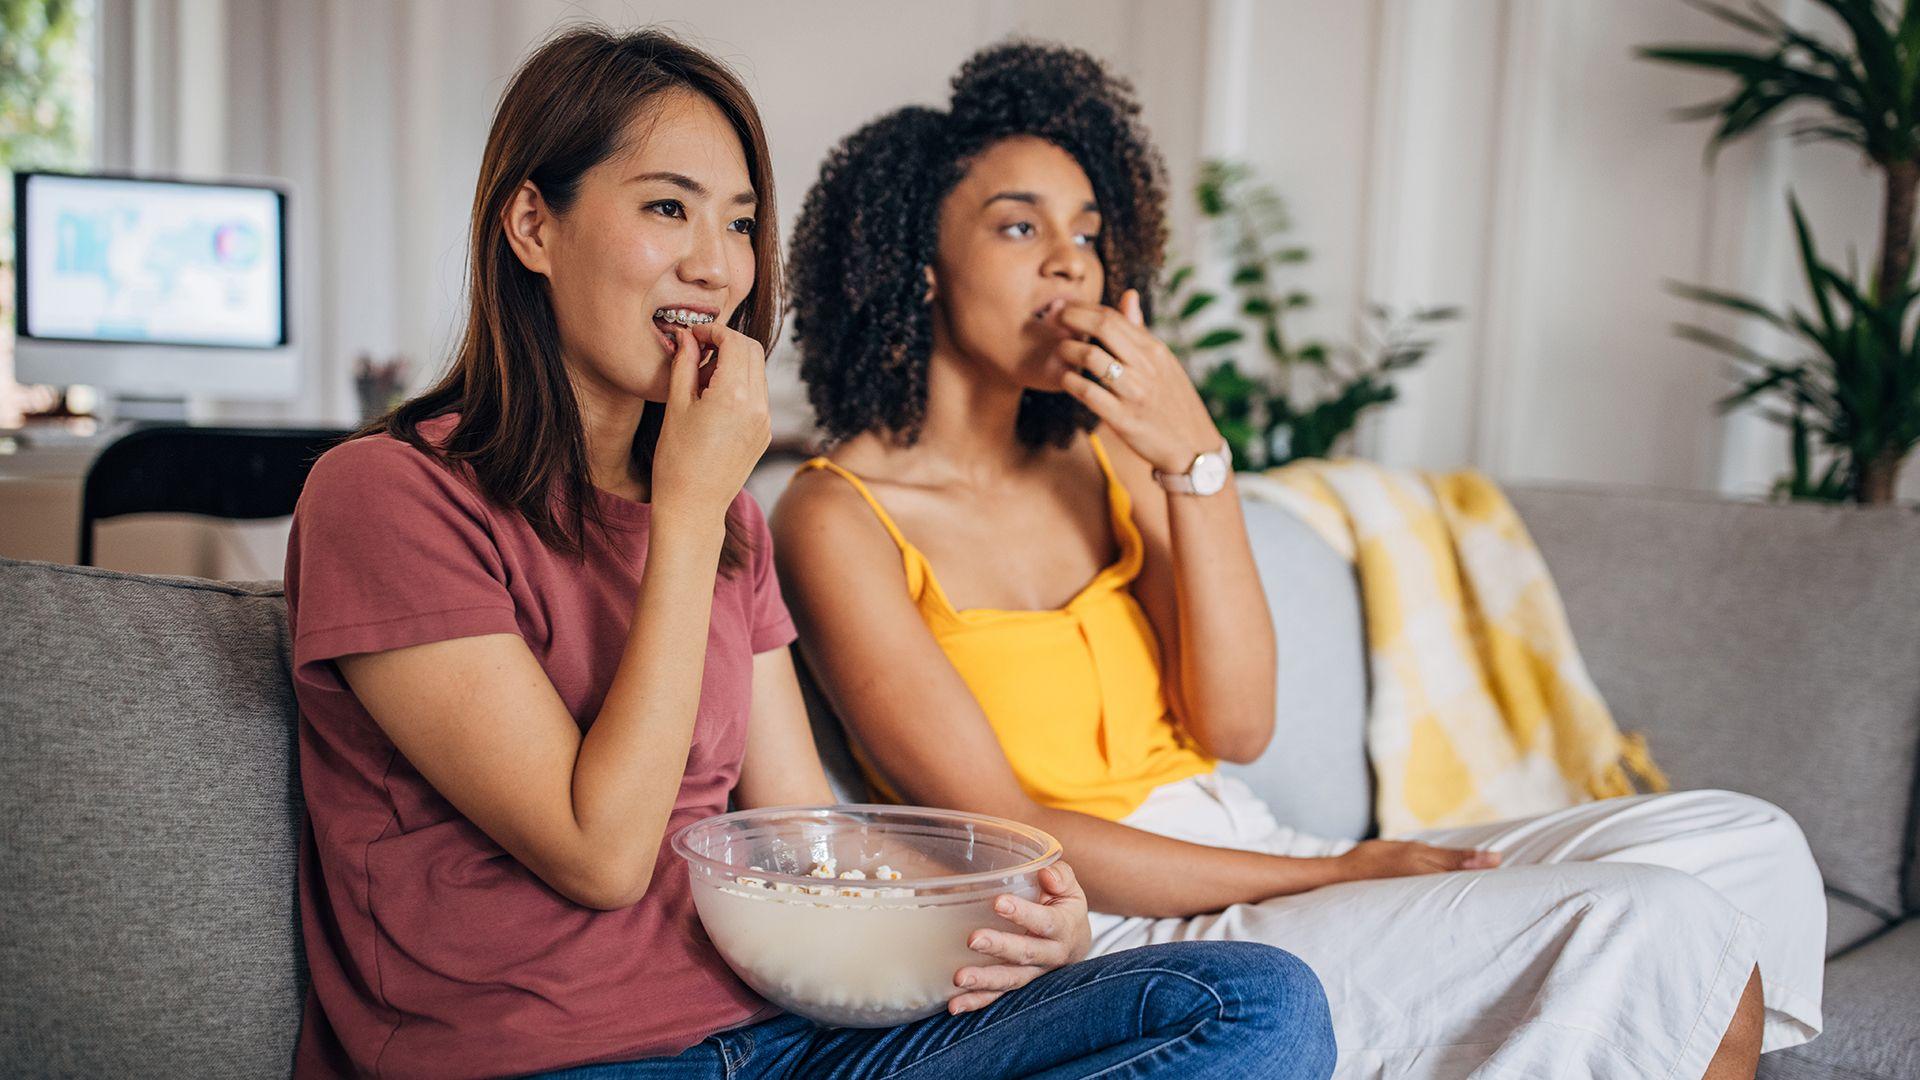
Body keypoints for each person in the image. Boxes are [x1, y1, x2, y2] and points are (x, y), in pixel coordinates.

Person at [284, 25, 1339, 1080]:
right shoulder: (388, 498)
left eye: (740, 223)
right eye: (667, 207)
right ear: (531, 224)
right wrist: (688, 513)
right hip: (551, 1061)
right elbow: (599, 852)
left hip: (781, 1038)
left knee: (1252, 1000)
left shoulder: (729, 521)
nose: (718, 265)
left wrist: (1013, 914)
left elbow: (797, 826)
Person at [774, 39, 1825, 1080]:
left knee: (1747, 843)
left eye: (1090, 233)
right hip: (1114, 927)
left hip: (1252, 846)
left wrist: (1196, 458)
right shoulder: (837, 519)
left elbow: (1237, 723)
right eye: (1019, 226)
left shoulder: (1100, 455)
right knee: (1666, 927)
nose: (1071, 261)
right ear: (917, 266)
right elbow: (1012, 834)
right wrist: (1336, 870)